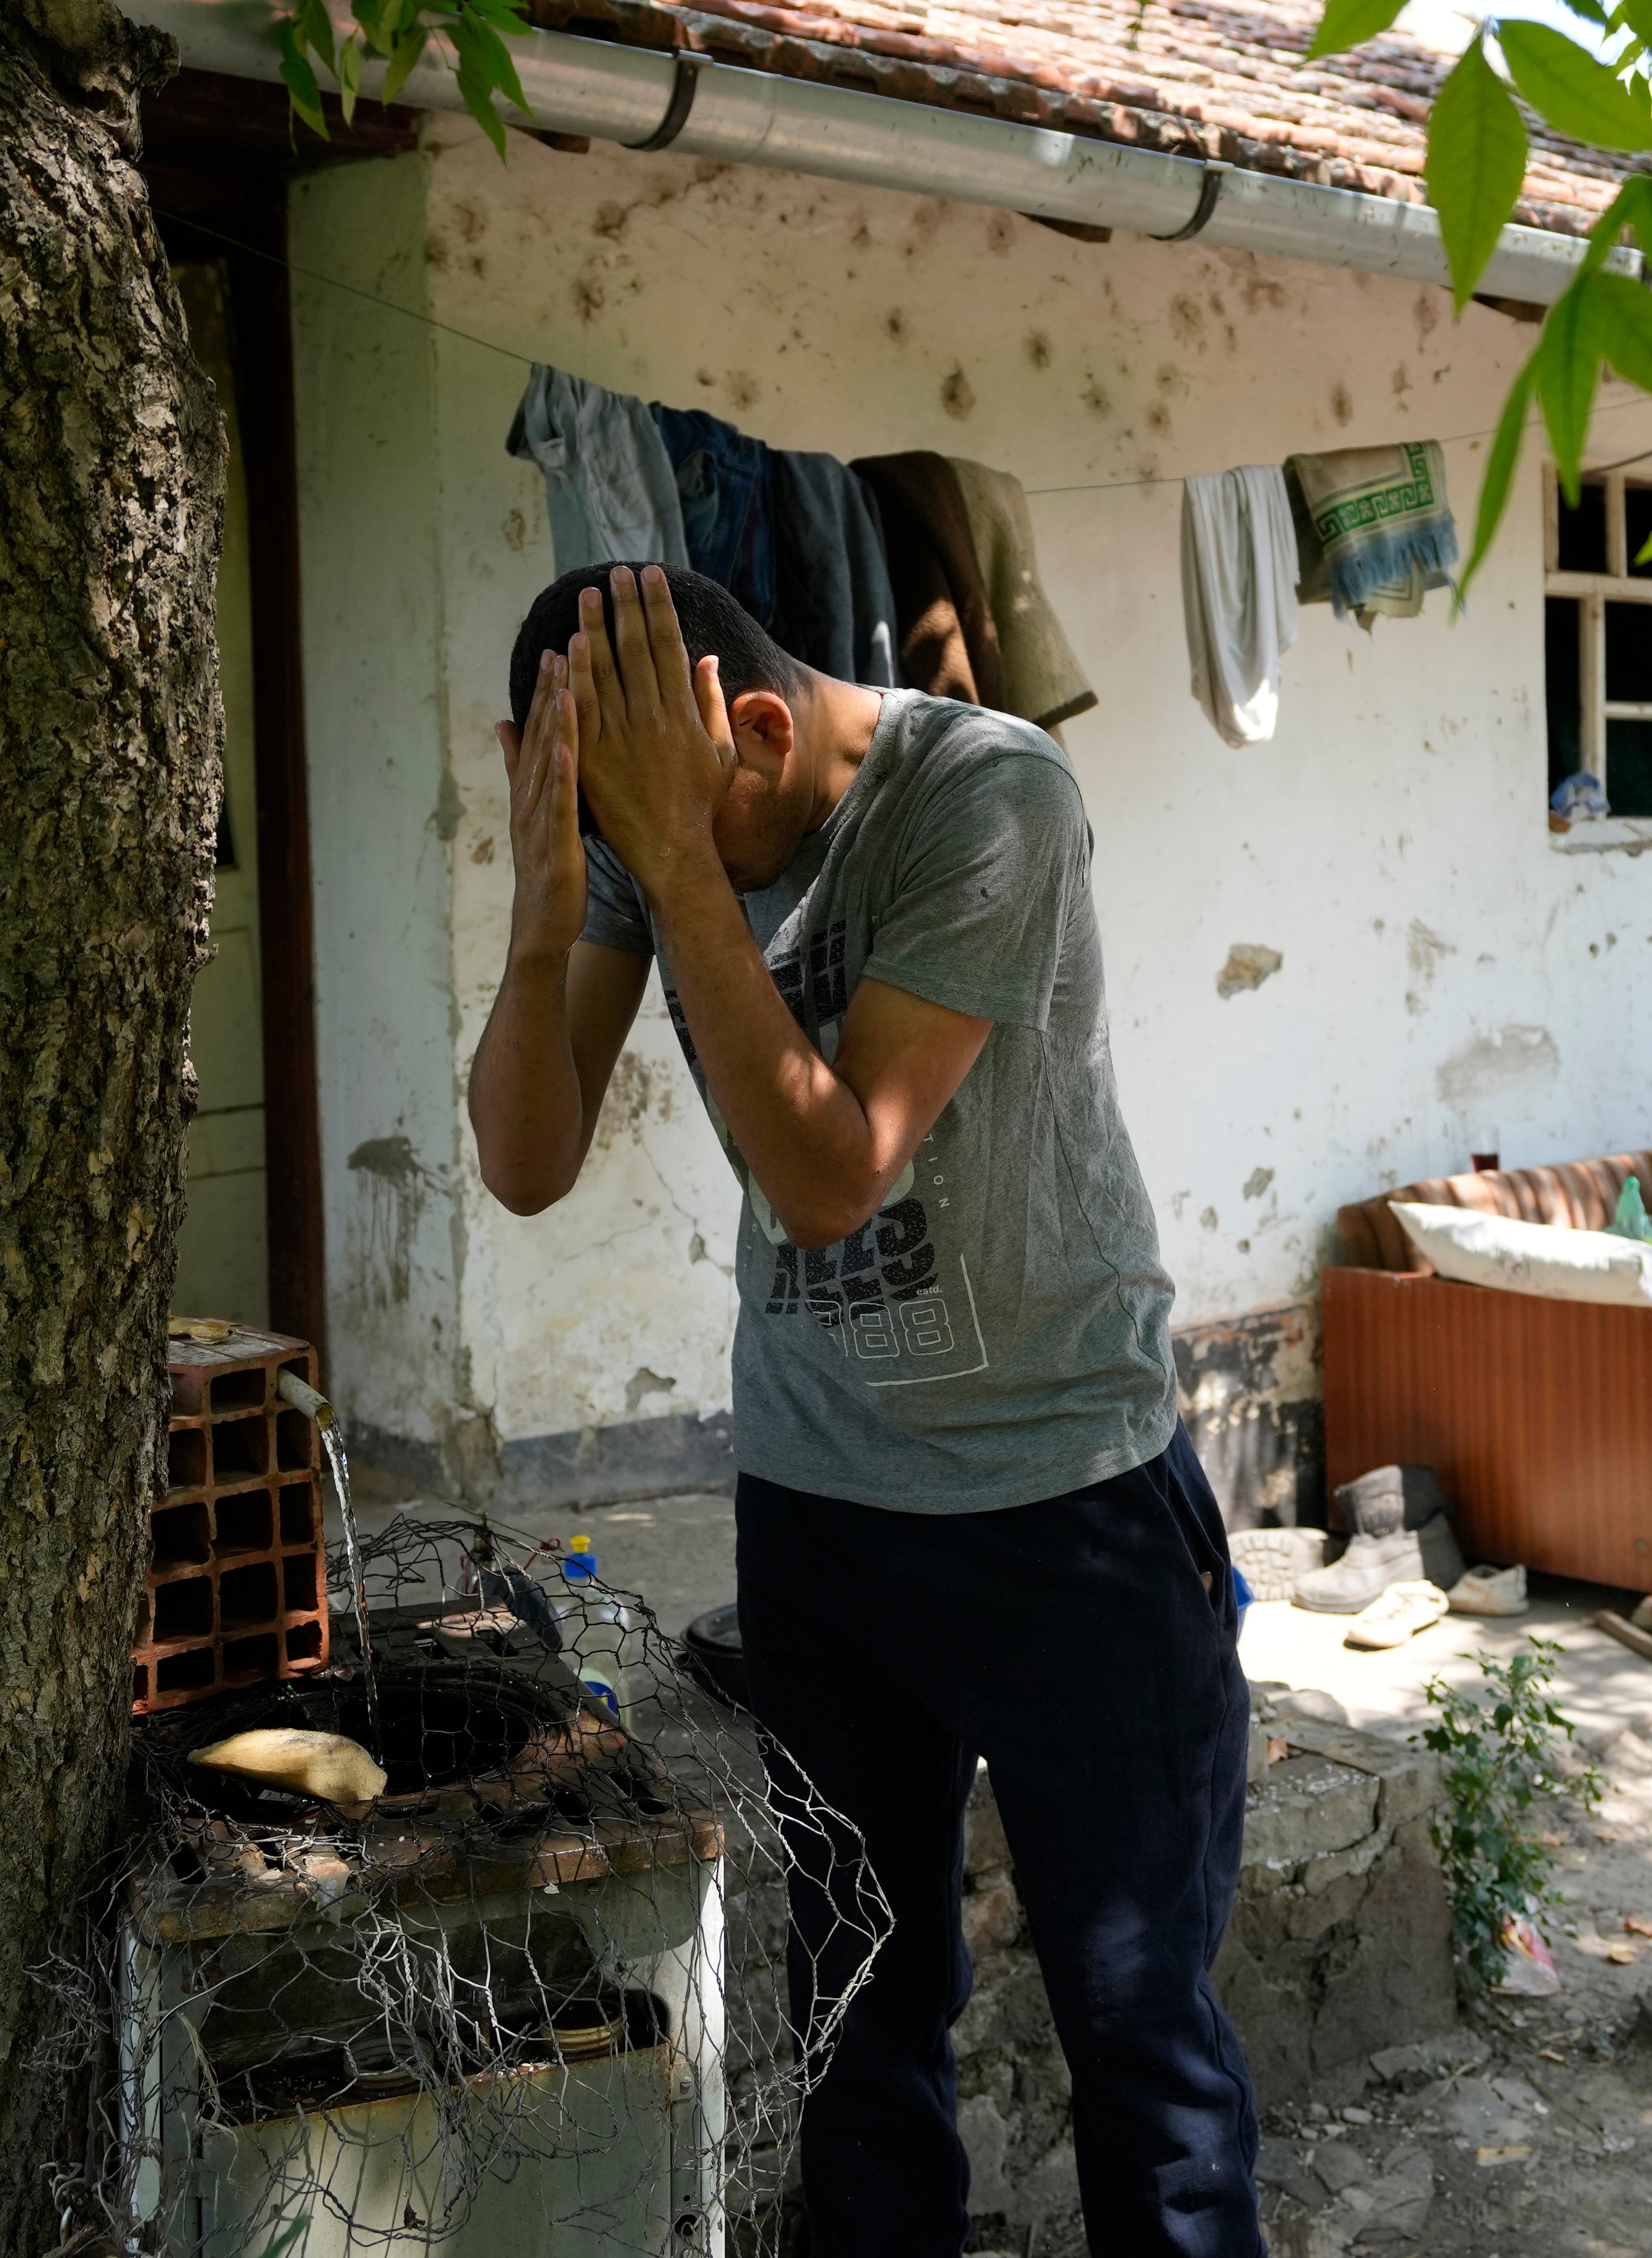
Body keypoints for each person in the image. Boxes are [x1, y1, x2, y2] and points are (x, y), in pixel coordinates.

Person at [468, 563, 1261, 2254]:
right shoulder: (650, 830)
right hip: (825, 1516)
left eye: (666, 827)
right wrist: (554, 907)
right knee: (859, 2019)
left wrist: (672, 861)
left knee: (1142, 2034)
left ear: (751, 728)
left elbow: (834, 1169)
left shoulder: (985, 792)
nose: (650, 866)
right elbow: (528, 1162)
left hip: (1070, 1504)